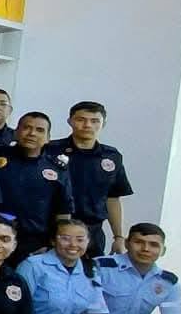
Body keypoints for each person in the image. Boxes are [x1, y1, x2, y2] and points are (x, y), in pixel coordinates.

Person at [51, 101, 132, 255]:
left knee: (92, 270)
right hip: (55, 228)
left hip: (93, 231)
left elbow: (113, 198)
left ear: (103, 124)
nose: (87, 125)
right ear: (70, 121)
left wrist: (118, 237)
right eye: (81, 119)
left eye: (94, 121)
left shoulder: (111, 156)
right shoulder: (51, 150)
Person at [0, 111, 73, 257]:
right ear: (16, 132)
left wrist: (56, 243)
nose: (32, 133)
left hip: (37, 243)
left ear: (48, 138)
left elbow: (63, 211)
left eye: (40, 130)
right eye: (26, 128)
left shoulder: (57, 167)